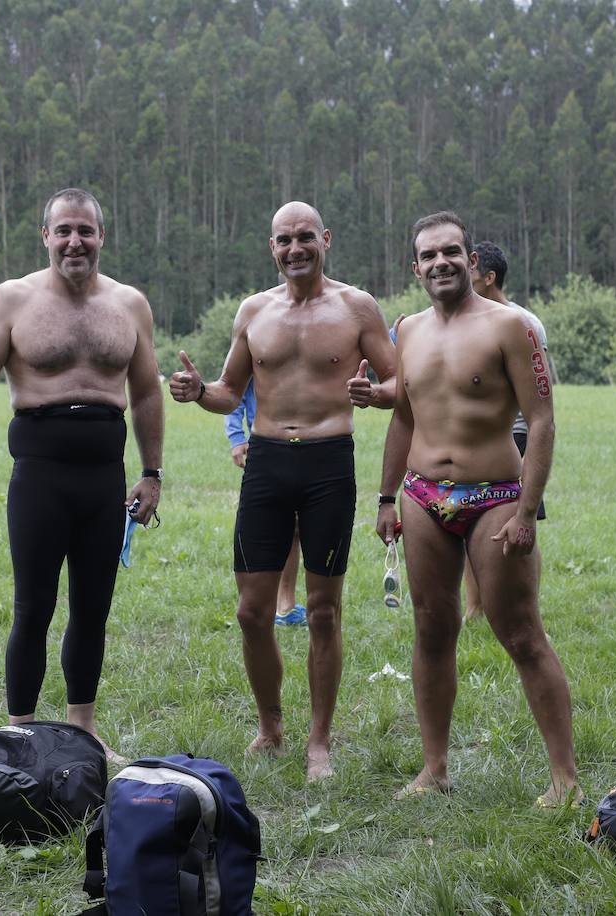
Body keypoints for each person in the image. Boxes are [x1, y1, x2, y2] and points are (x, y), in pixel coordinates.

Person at [170, 201, 396, 781]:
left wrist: (377, 394)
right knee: (251, 612)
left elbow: (400, 381)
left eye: (304, 238)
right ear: (271, 247)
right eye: (282, 240)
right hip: (267, 463)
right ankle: (270, 725)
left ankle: (319, 739)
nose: (294, 249)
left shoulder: (356, 307)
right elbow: (229, 390)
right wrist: (199, 392)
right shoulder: (254, 311)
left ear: (326, 239)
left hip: (328, 464)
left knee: (323, 611)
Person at [375, 211, 576, 805]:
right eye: (429, 255)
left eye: (451, 252)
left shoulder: (511, 327)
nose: (441, 262)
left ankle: (564, 778)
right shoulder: (407, 330)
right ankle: (433, 768)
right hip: (422, 495)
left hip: (496, 497)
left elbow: (540, 421)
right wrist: (386, 498)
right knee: (431, 629)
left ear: (471, 260)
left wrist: (526, 511)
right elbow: (404, 417)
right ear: (415, 267)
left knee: (521, 634)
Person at [0, 188, 162, 761]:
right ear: (45, 236)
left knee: (93, 607)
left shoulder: (129, 304)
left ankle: (82, 730)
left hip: (103, 477)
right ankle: (21, 732)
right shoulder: (12, 299)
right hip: (39, 476)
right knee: (34, 606)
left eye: (86, 231)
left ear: (101, 236)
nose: (75, 241)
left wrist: (152, 473)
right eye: (64, 230)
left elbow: (145, 393)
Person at [464, 241, 549, 624]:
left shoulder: (524, 324)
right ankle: (475, 607)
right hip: (475, 439)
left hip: (516, 436)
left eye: (471, 271)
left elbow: (536, 396)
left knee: (522, 525)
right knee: (469, 521)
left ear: (489, 277)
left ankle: (526, 604)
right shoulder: (465, 321)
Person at [225, 378, 306, 626]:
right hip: (265, 447)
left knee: (296, 527)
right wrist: (237, 437)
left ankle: (285, 604)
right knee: (272, 526)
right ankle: (264, 604)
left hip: (313, 445)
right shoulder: (256, 338)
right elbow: (233, 388)